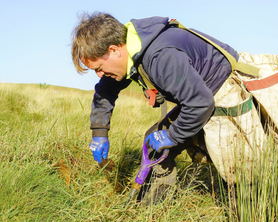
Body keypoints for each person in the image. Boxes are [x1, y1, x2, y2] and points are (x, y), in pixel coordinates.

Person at [71, 12, 252, 203]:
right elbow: (105, 92)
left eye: (99, 68)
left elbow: (200, 103)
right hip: (199, 97)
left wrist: (172, 136)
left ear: (114, 50)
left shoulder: (159, 57)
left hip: (226, 93)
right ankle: (150, 210)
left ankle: (247, 216)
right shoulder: (131, 52)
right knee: (154, 146)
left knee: (237, 172)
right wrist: (99, 132)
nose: (99, 75)